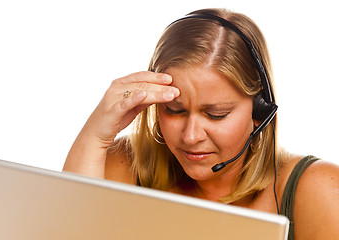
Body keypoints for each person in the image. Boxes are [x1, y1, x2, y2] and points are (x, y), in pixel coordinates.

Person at [63, 8, 339, 240]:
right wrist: (95, 136)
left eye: (216, 114)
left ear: (260, 110)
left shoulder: (319, 189)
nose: (191, 136)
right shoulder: (122, 166)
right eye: (174, 111)